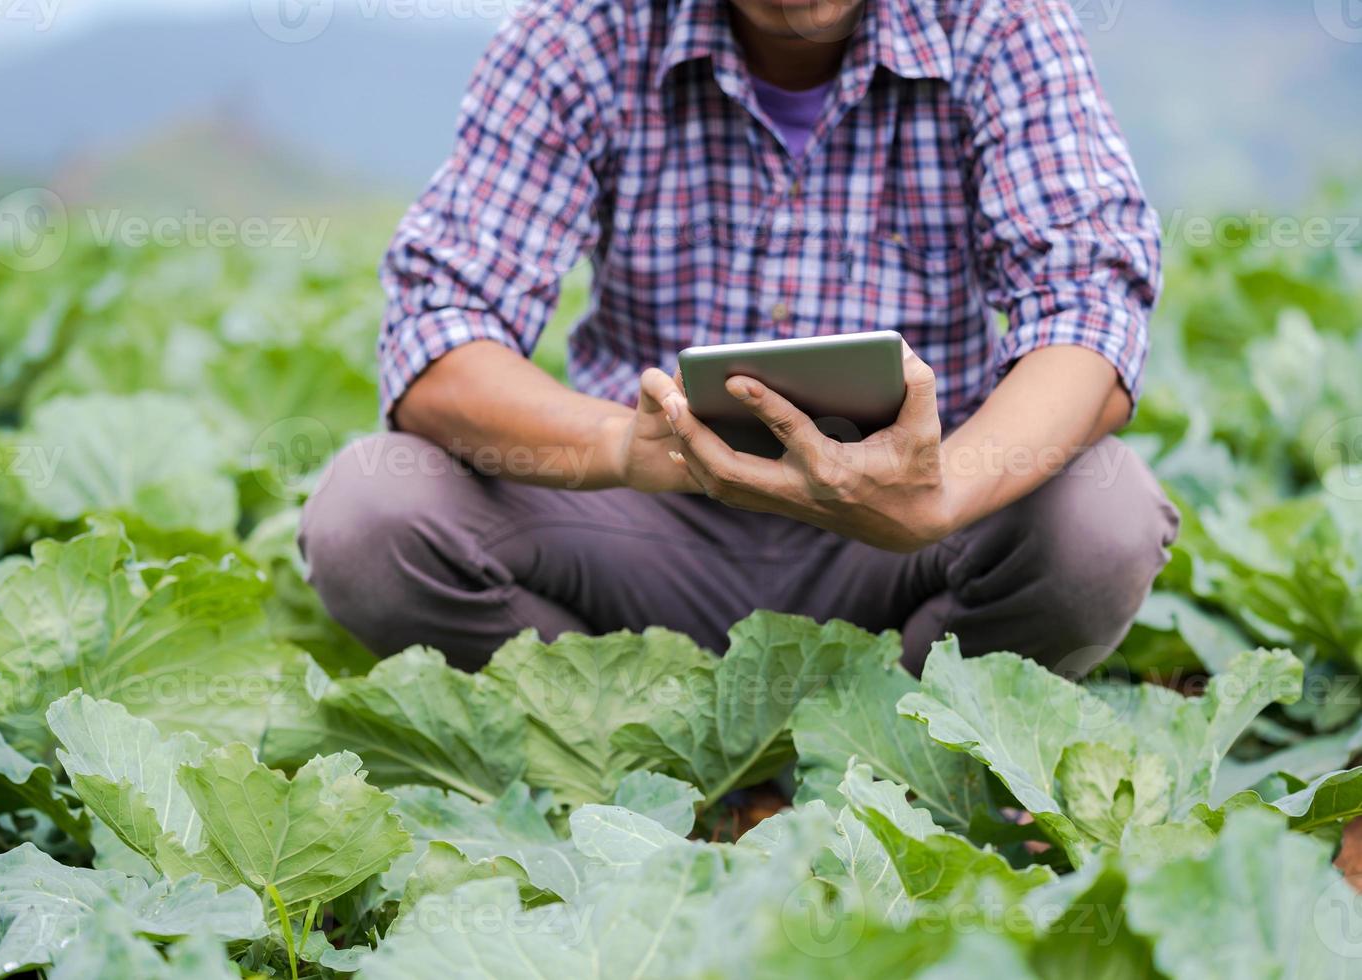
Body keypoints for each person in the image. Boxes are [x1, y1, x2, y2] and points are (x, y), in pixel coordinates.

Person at [300, 0, 1179, 675]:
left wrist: (945, 492)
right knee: (371, 512)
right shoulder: (582, 32)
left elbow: (1088, 304)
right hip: (640, 526)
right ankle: (626, 734)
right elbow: (439, 328)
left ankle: (901, 740)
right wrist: (619, 444)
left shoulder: (998, 23)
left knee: (1100, 520)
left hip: (905, 533)